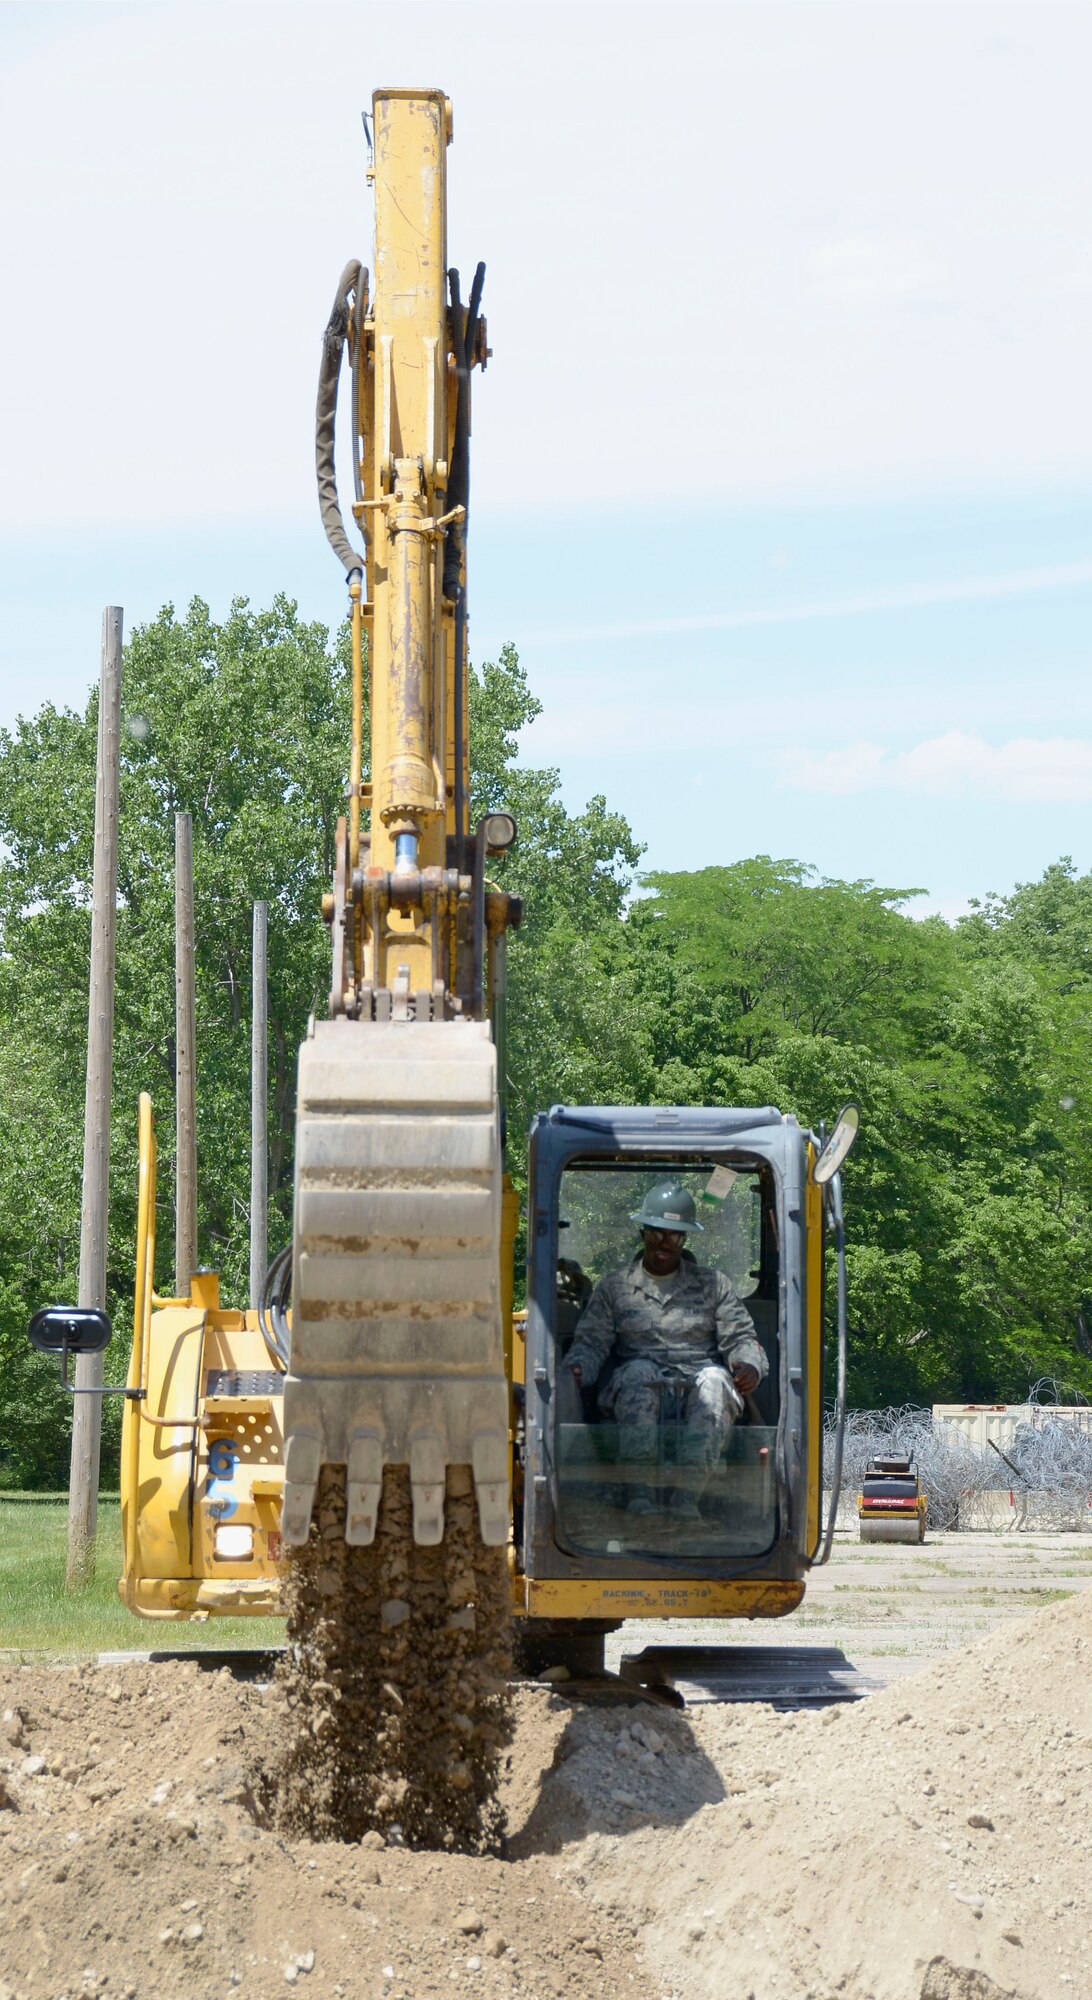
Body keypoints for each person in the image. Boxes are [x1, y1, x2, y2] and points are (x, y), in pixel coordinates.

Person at [561, 1181, 767, 1519]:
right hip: (640, 1380)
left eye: (674, 1234)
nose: (664, 1242)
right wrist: (578, 1370)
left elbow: (742, 1336)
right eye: (657, 1232)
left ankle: (688, 1500)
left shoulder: (713, 1285)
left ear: (684, 1239)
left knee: (716, 1380)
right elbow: (591, 1341)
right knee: (638, 1374)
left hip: (697, 1382)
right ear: (643, 1232)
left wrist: (749, 1364)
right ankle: (639, 1495)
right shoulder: (616, 1287)